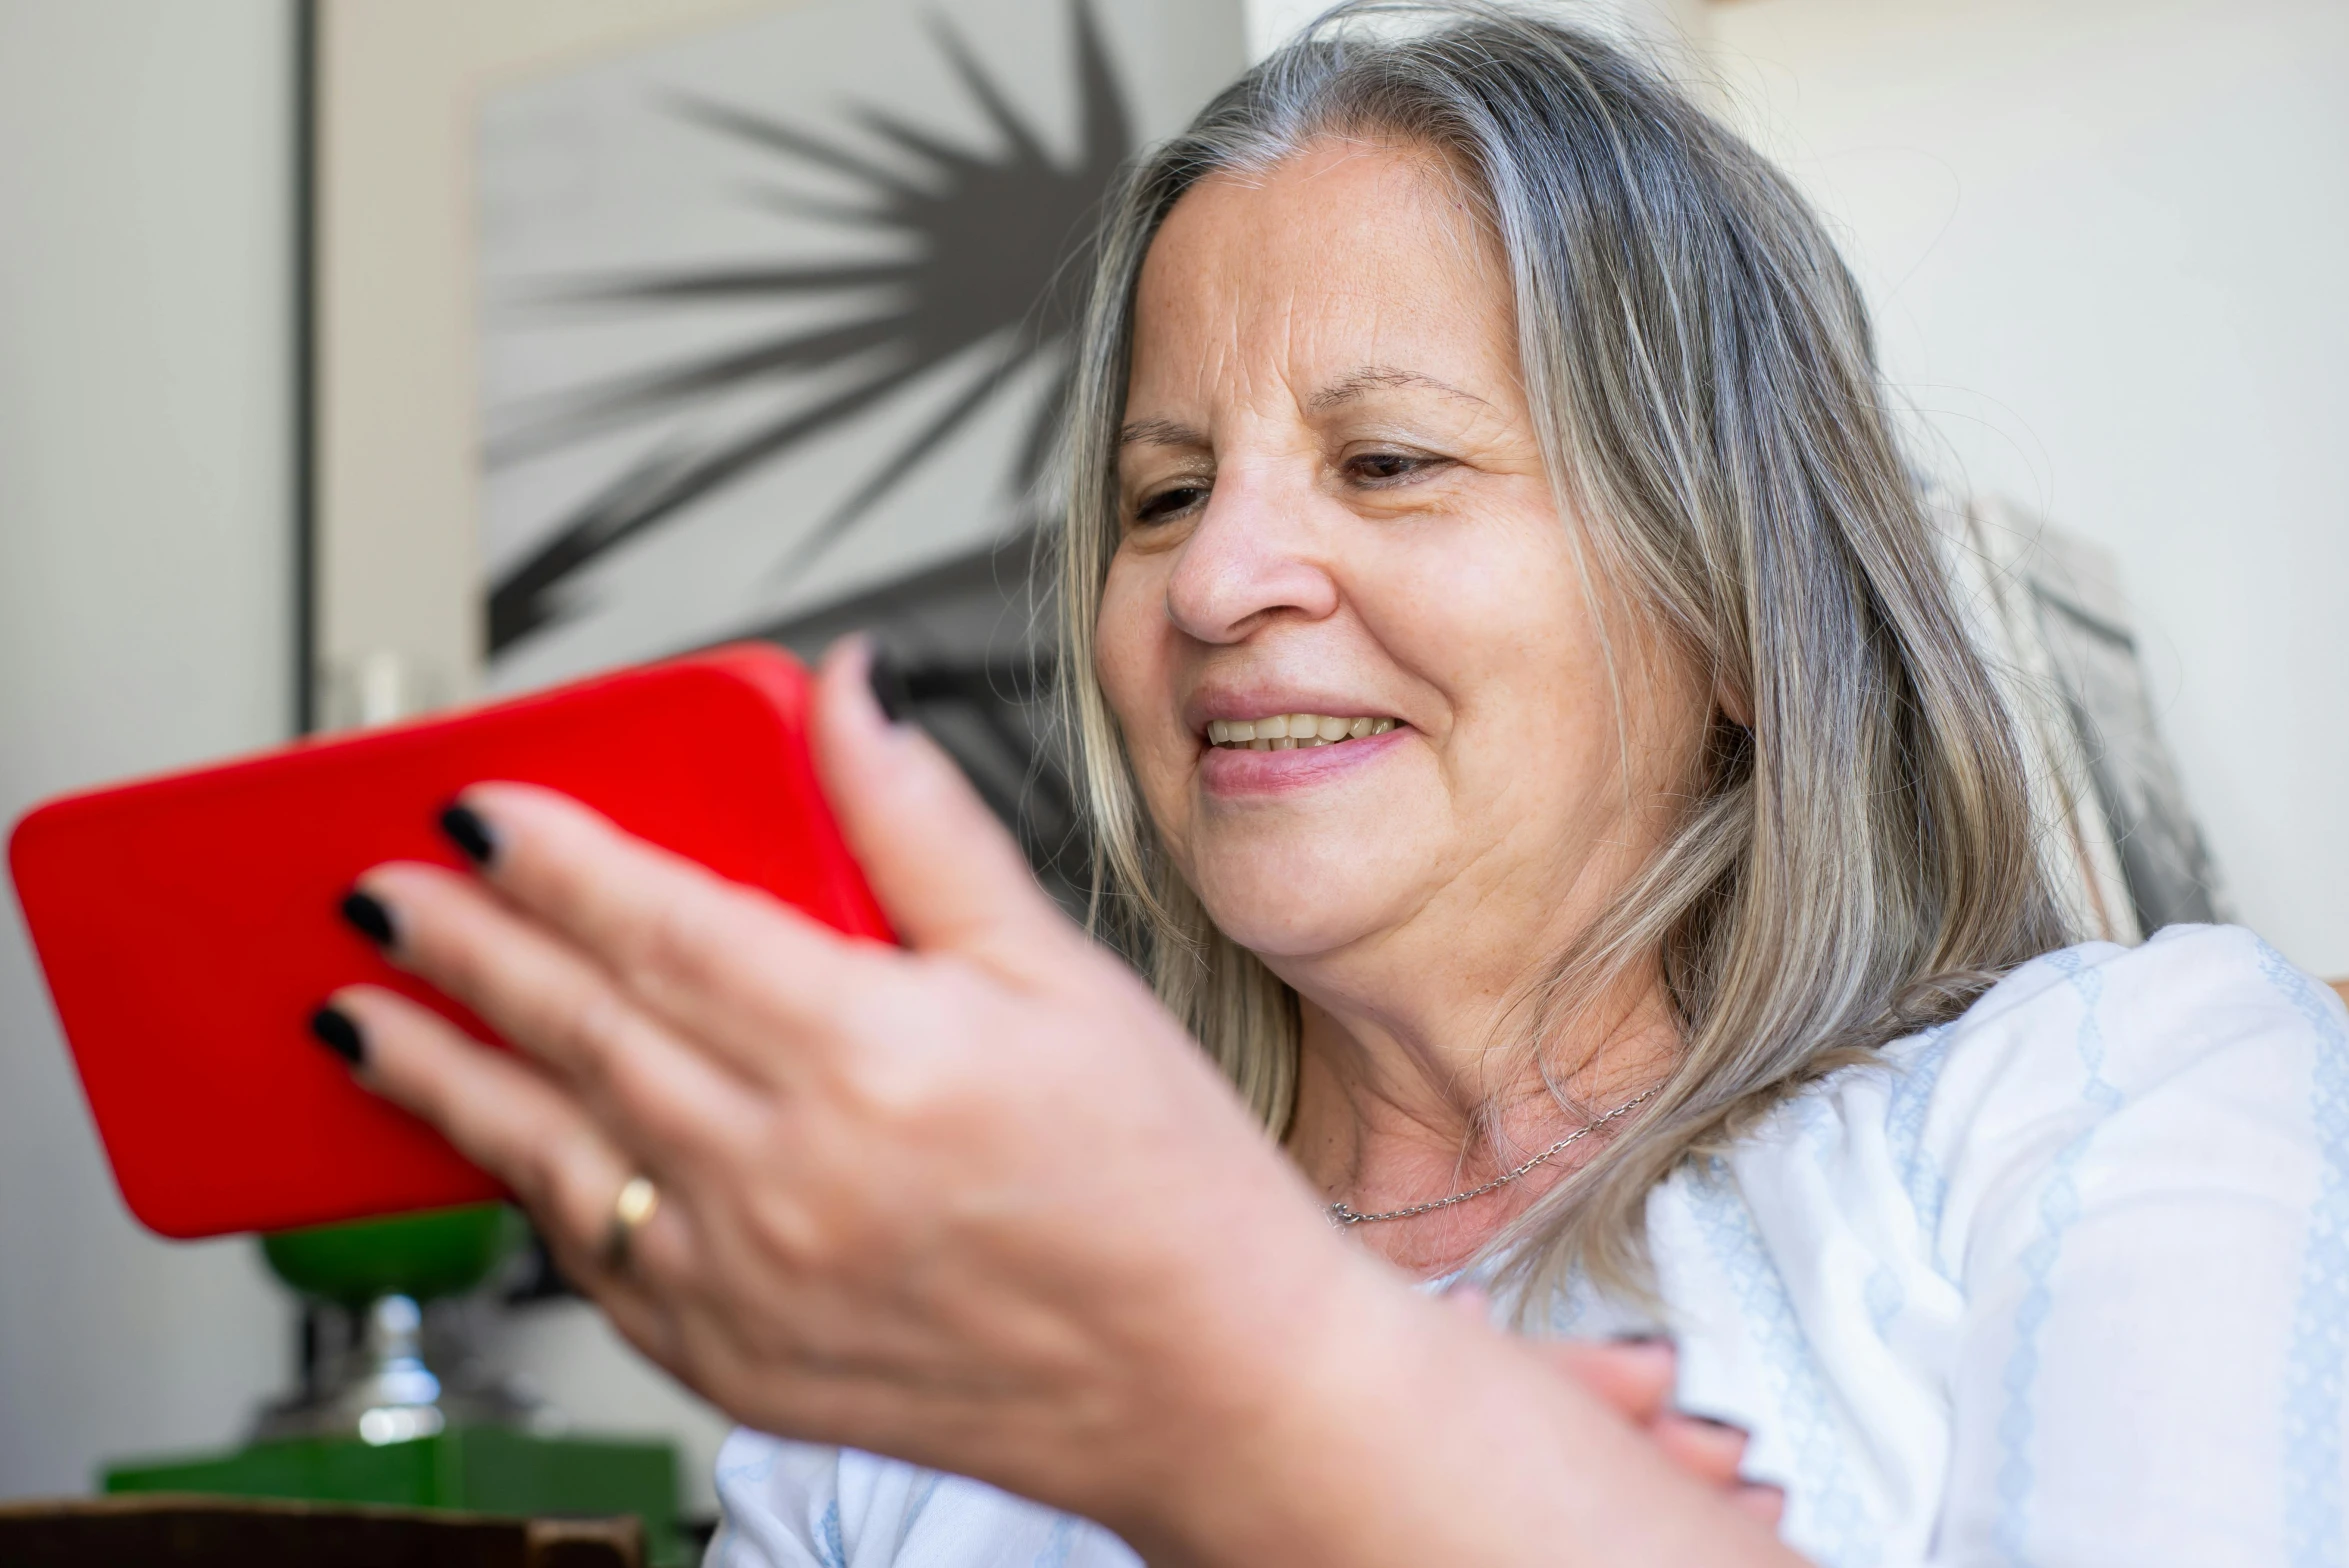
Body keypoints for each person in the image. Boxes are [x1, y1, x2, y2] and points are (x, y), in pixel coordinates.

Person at [309, 5, 2349, 1563]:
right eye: (1163, 492)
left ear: (1736, 608)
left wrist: (1238, 1381)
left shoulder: (2109, 1093)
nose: (1211, 581)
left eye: (1389, 462)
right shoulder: (884, 1393)